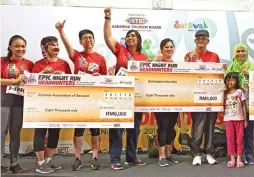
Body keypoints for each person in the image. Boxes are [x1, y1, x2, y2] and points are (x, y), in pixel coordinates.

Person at [55, 20, 107, 171]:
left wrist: (100, 76)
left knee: (95, 130)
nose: (88, 40)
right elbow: (67, 45)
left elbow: (105, 79)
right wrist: (60, 31)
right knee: (78, 130)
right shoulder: (77, 55)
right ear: (80, 41)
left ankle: (95, 157)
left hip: (95, 99)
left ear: (94, 40)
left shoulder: (100, 59)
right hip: (79, 98)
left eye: (90, 37)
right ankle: (77, 158)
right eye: (85, 38)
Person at [104, 7, 147, 170]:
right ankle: (115, 158)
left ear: (138, 40)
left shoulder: (144, 57)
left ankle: (131, 157)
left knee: (134, 129)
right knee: (117, 128)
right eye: (128, 35)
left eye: (133, 35)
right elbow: (108, 36)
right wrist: (107, 18)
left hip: (136, 97)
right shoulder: (120, 51)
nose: (130, 37)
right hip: (119, 96)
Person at [31, 36, 72, 174]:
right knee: (40, 132)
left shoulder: (64, 64)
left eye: (57, 44)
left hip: (58, 103)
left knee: (55, 132)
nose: (56, 47)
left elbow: (72, 84)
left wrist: (64, 77)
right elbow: (30, 84)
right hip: (40, 104)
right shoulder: (37, 65)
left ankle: (48, 160)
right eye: (52, 45)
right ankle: (40, 163)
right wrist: (42, 73)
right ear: (45, 48)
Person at [184, 29, 219, 166]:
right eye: (198, 38)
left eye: (203, 38)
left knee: (210, 126)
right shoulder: (189, 56)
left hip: (212, 96)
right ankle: (196, 153)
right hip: (196, 96)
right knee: (198, 126)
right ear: (194, 40)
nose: (201, 40)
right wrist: (189, 61)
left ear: (208, 41)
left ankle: (209, 152)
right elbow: (185, 75)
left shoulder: (214, 56)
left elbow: (218, 75)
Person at [1, 35, 33, 173]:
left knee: (15, 133)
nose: (20, 49)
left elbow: (34, 80)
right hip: (3, 100)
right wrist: (14, 81)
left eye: (22, 46)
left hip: (20, 101)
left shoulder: (30, 63)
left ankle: (14, 163)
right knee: (1, 133)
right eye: (17, 46)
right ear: (10, 47)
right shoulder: (2, 61)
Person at [226, 43, 254, 165]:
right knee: (235, 135)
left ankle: (249, 155)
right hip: (234, 109)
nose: (240, 53)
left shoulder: (253, 68)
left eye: (243, 51)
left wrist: (249, 75)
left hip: (248, 106)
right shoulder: (230, 68)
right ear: (234, 53)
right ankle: (236, 156)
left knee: (248, 132)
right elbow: (226, 86)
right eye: (238, 51)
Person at [153, 38, 179, 167]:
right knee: (162, 127)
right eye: (166, 47)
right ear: (161, 49)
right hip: (160, 101)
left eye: (171, 47)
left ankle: (168, 154)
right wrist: (154, 63)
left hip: (174, 102)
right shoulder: (156, 63)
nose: (169, 49)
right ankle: (161, 155)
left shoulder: (176, 65)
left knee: (171, 128)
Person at [223, 72, 247, 168]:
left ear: (236, 81)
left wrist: (245, 120)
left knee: (239, 139)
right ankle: (232, 158)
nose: (230, 82)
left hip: (239, 119)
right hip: (229, 119)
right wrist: (222, 92)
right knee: (230, 139)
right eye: (228, 80)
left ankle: (239, 159)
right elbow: (220, 103)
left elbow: (244, 106)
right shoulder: (224, 93)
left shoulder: (239, 92)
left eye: (233, 80)